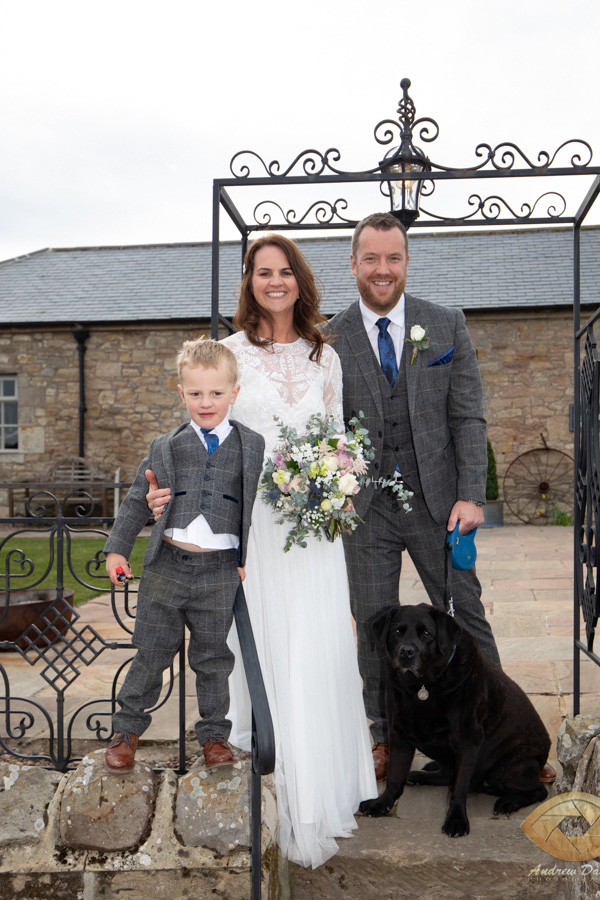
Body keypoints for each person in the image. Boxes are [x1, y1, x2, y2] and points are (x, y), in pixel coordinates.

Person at [145, 235, 377, 869]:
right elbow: (203, 429)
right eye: (262, 273)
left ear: (300, 281)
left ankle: (317, 789)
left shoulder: (324, 355)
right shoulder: (231, 355)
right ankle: (263, 778)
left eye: (284, 272)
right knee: (260, 641)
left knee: (315, 643)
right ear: (248, 282)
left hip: (312, 527)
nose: (274, 282)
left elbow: (334, 437)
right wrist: (164, 489)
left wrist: (336, 479)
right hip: (252, 524)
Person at [328, 212, 502, 784]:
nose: (383, 270)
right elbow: (318, 427)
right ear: (353, 264)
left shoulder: (446, 325)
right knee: (375, 628)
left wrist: (472, 496)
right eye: (371, 259)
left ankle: (497, 732)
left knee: (466, 618)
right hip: (365, 510)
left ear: (407, 262)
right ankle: (382, 738)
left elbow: (468, 418)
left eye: (393, 258)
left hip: (439, 504)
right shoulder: (329, 339)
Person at [102, 337, 264, 774]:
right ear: (181, 394)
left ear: (234, 393)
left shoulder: (253, 445)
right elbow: (139, 499)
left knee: (213, 659)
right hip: (168, 566)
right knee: (150, 652)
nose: (206, 402)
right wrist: (117, 549)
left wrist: (246, 554)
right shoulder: (165, 445)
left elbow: (254, 503)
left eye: (215, 393)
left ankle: (214, 736)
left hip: (219, 571)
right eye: (196, 393)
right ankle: (126, 731)